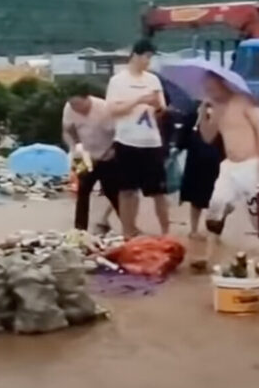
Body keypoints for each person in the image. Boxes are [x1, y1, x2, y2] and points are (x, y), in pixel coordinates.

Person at [195, 71, 259, 269]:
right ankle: (209, 257)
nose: (209, 91)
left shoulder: (244, 101)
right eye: (206, 88)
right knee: (216, 205)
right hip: (229, 166)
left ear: (221, 83)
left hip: (251, 163)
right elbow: (207, 137)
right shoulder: (215, 108)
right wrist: (203, 114)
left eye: (211, 87)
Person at [105, 39, 170, 238]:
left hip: (151, 141)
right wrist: (139, 100)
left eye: (150, 58)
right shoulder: (118, 81)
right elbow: (113, 110)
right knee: (127, 190)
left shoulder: (153, 80)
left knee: (159, 192)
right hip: (127, 141)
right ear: (135, 55)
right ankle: (128, 231)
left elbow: (162, 109)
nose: (148, 62)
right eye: (146, 57)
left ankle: (166, 232)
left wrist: (158, 106)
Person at [62, 81, 119, 232]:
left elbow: (117, 134)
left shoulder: (104, 108)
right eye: (73, 105)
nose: (76, 109)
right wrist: (74, 147)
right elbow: (67, 130)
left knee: (112, 192)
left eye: (79, 104)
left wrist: (111, 151)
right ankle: (80, 230)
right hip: (84, 155)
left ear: (88, 98)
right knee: (82, 191)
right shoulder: (69, 108)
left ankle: (127, 226)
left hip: (107, 153)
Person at [177, 101, 222, 239]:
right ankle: (195, 229)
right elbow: (182, 140)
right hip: (196, 162)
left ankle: (214, 231)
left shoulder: (224, 114)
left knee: (218, 199)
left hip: (216, 161)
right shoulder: (194, 114)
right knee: (196, 198)